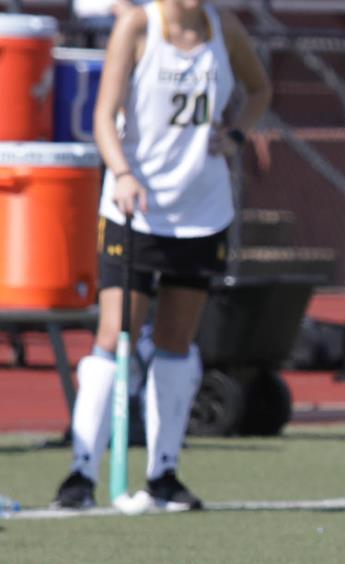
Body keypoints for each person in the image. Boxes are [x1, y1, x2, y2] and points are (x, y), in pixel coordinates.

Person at [52, 0, 270, 512]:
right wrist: (123, 173)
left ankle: (163, 472)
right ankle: (82, 470)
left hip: (200, 209)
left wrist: (236, 134)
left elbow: (259, 88)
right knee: (115, 334)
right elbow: (104, 115)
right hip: (137, 208)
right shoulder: (137, 25)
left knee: (175, 341)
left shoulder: (223, 28)